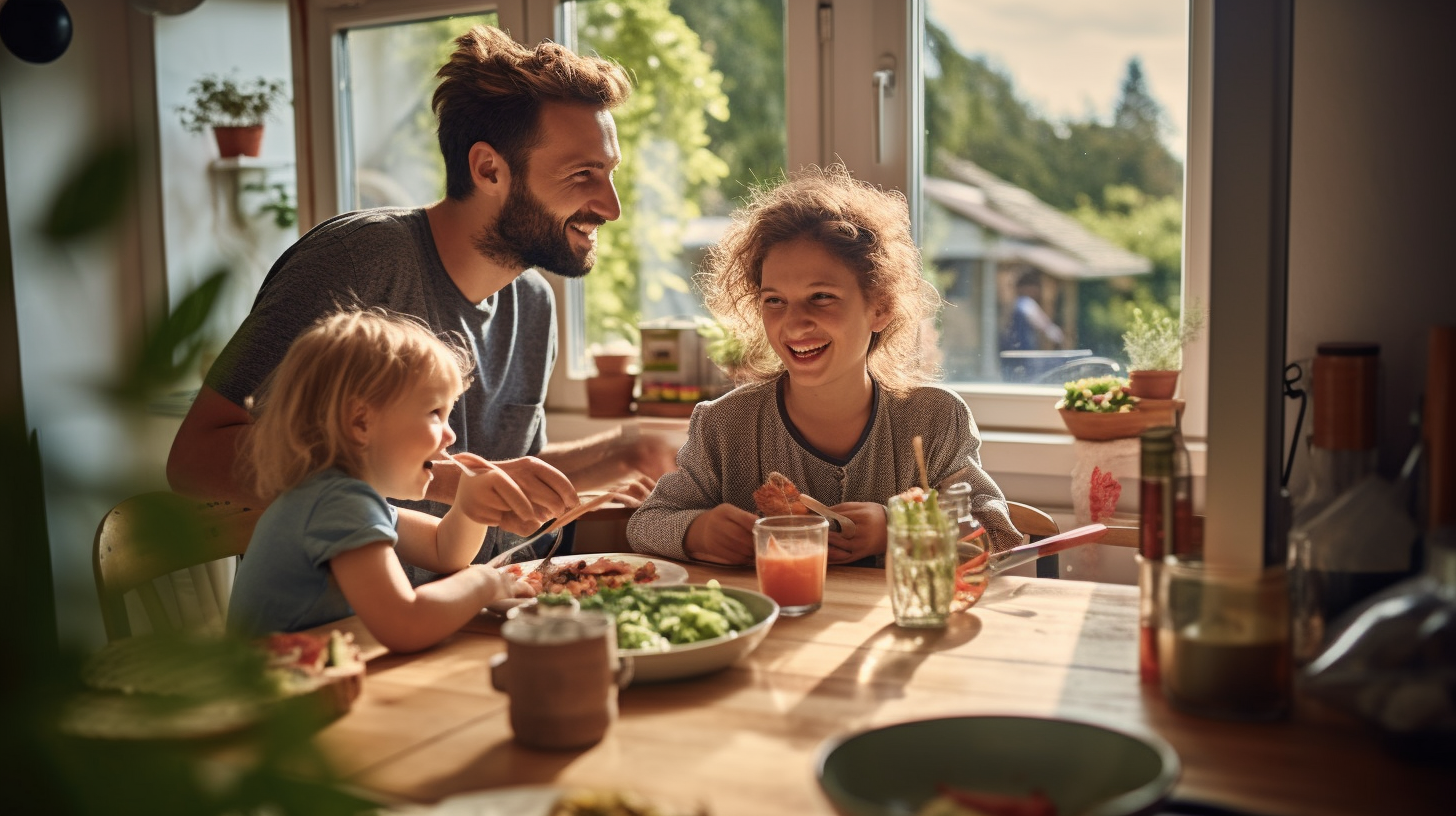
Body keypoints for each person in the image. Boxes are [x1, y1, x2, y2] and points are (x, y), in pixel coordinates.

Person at [166, 25, 677, 569]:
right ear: (488, 170)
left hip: (472, 615)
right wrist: (446, 480)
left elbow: (499, 477)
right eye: (583, 174)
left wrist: (622, 454)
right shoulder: (357, 262)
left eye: (610, 173)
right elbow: (196, 459)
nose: (611, 206)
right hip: (337, 632)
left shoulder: (532, 302)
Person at [626, 165, 1019, 566]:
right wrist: (697, 531)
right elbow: (648, 522)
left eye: (822, 297)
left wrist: (899, 526)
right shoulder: (724, 427)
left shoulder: (934, 419)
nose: (794, 322)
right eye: (774, 300)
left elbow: (997, 534)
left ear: (879, 308)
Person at [227, 310, 548, 652]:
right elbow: (404, 624)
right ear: (361, 422)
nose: (450, 435)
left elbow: (444, 550)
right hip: (273, 693)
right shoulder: (339, 503)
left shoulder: (336, 496)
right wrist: (485, 581)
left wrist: (470, 505)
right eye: (434, 413)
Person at [1001, 270, 1065, 352]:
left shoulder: (1016, 304)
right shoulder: (1026, 303)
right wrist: (1056, 335)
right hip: (1023, 349)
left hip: (1013, 349)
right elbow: (1043, 324)